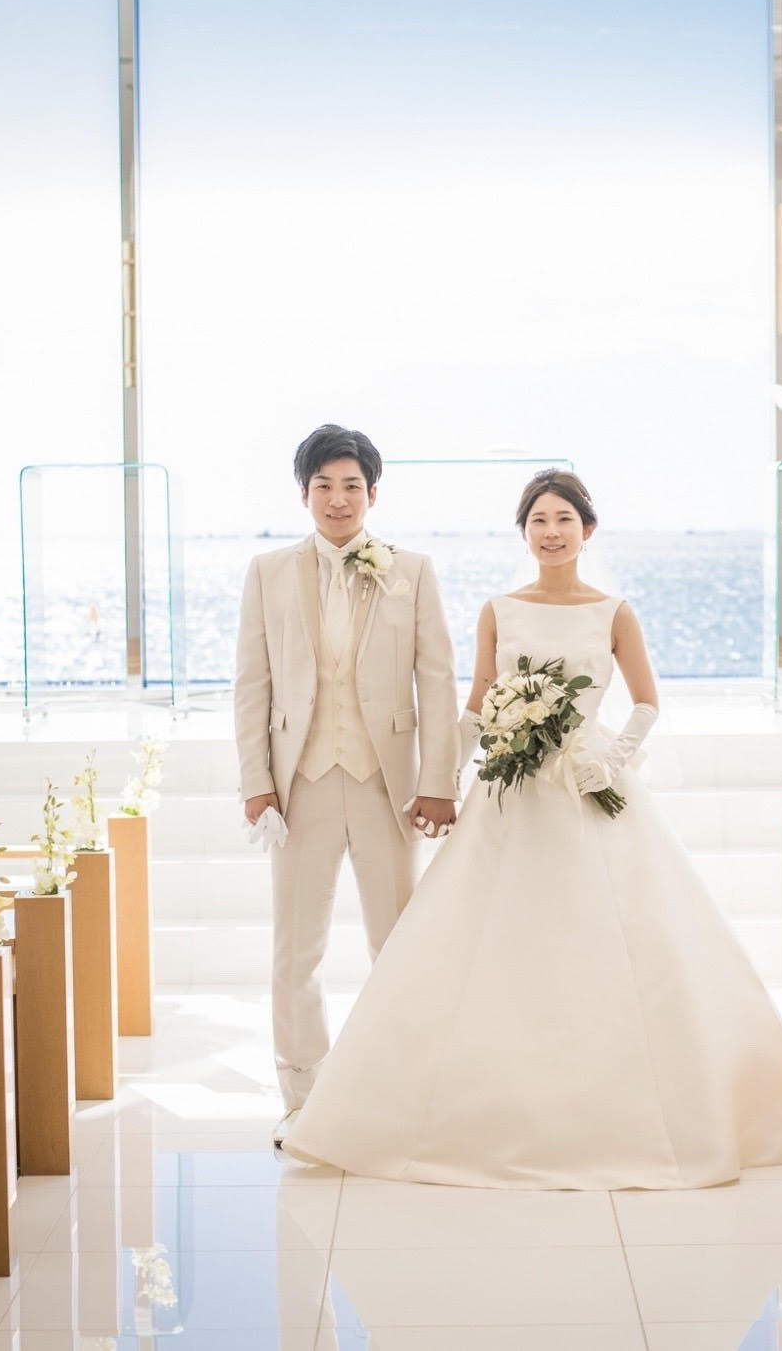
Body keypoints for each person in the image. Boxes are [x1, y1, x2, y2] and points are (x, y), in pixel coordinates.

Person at [283, 469, 782, 1188]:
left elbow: (646, 702)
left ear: (587, 530)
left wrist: (608, 760)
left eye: (562, 520)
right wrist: (442, 780)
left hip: (589, 786)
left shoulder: (613, 612)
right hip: (510, 792)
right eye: (537, 521)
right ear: (523, 533)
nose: (550, 532)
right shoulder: (498, 609)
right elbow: (476, 704)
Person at [234, 424, 460, 1147]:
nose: (338, 499)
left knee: (398, 944)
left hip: (385, 785)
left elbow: (436, 680)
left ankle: (404, 1092)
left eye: (352, 486)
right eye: (324, 485)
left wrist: (439, 780)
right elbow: (252, 685)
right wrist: (256, 783)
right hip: (298, 784)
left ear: (373, 493)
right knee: (295, 950)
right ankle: (302, 1098)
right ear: (303, 493)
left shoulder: (411, 570)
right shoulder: (267, 573)